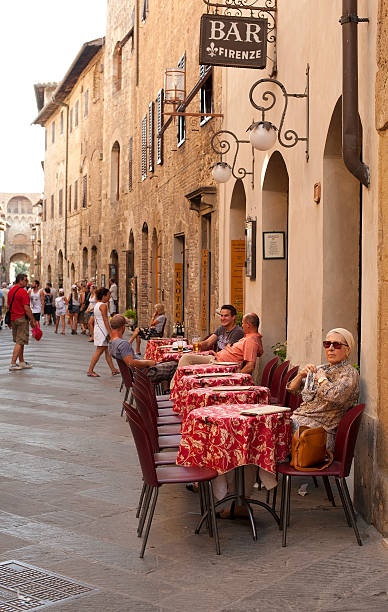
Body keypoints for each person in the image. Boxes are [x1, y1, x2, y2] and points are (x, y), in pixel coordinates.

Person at [287, 328, 360, 451]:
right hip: (301, 423)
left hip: (319, 434)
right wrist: (301, 375)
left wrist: (321, 380)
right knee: (268, 429)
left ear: (347, 350)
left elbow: (335, 396)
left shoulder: (349, 373)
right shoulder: (323, 368)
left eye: (336, 345)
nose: (330, 348)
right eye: (327, 344)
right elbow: (293, 390)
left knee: (272, 435)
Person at [174, 313, 263, 378]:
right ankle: (178, 389)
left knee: (186, 358)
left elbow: (250, 366)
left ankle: (176, 390)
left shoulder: (251, 340)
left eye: (243, 323)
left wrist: (235, 376)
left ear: (248, 325)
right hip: (216, 359)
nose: (242, 325)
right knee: (186, 358)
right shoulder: (250, 338)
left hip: (220, 366)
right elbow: (259, 352)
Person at [109, 314, 177, 390]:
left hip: (137, 374)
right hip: (144, 373)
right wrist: (148, 362)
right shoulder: (122, 344)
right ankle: (175, 395)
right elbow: (131, 363)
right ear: (123, 327)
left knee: (166, 363)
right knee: (175, 365)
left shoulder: (112, 343)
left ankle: (166, 390)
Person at [7, 273, 37, 371]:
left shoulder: (11, 291)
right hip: (21, 318)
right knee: (20, 341)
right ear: (20, 280)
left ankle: (21, 361)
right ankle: (12, 363)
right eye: (25, 280)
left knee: (20, 340)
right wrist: (32, 320)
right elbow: (27, 308)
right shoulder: (23, 292)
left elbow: (8, 306)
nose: (27, 282)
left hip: (13, 318)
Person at [87, 287, 120, 377]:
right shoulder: (103, 305)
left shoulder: (97, 305)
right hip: (103, 330)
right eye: (108, 295)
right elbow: (105, 320)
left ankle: (113, 369)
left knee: (107, 351)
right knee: (99, 351)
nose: (109, 296)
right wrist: (110, 333)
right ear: (104, 296)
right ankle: (90, 370)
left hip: (99, 329)